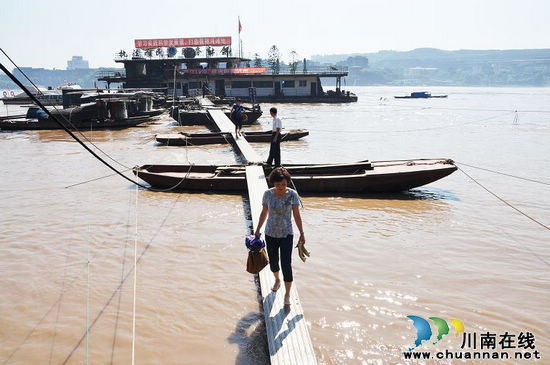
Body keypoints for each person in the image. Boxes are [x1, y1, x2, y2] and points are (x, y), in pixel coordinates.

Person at [254, 168, 305, 306]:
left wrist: (302, 233)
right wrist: (258, 229)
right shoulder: (268, 194)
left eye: (283, 184)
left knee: (286, 264)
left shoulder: (292, 195)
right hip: (270, 233)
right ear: (273, 184)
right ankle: (277, 279)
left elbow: (296, 215)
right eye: (277, 185)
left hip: (286, 234)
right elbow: (264, 212)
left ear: (287, 182)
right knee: (274, 262)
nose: (281, 187)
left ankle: (287, 294)